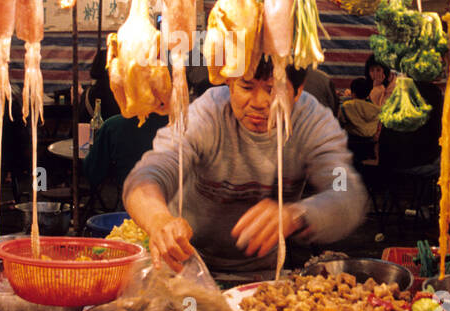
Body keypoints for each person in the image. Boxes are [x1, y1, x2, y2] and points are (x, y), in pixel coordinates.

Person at [123, 56, 368, 278]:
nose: (259, 102)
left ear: (298, 91)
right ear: (229, 82)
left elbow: (346, 193)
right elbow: (148, 174)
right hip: (185, 269)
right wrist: (158, 220)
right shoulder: (206, 114)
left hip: (261, 279)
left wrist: (296, 215)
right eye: (246, 87)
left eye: (273, 90)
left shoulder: (312, 121)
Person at [83, 111, 168, 210]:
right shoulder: (180, 124)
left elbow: (93, 171)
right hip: (176, 207)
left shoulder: (113, 125)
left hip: (130, 207)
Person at [338, 76, 380, 167]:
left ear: (353, 93)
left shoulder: (346, 106)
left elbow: (339, 122)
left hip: (351, 146)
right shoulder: (376, 109)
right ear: (368, 94)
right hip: (370, 149)